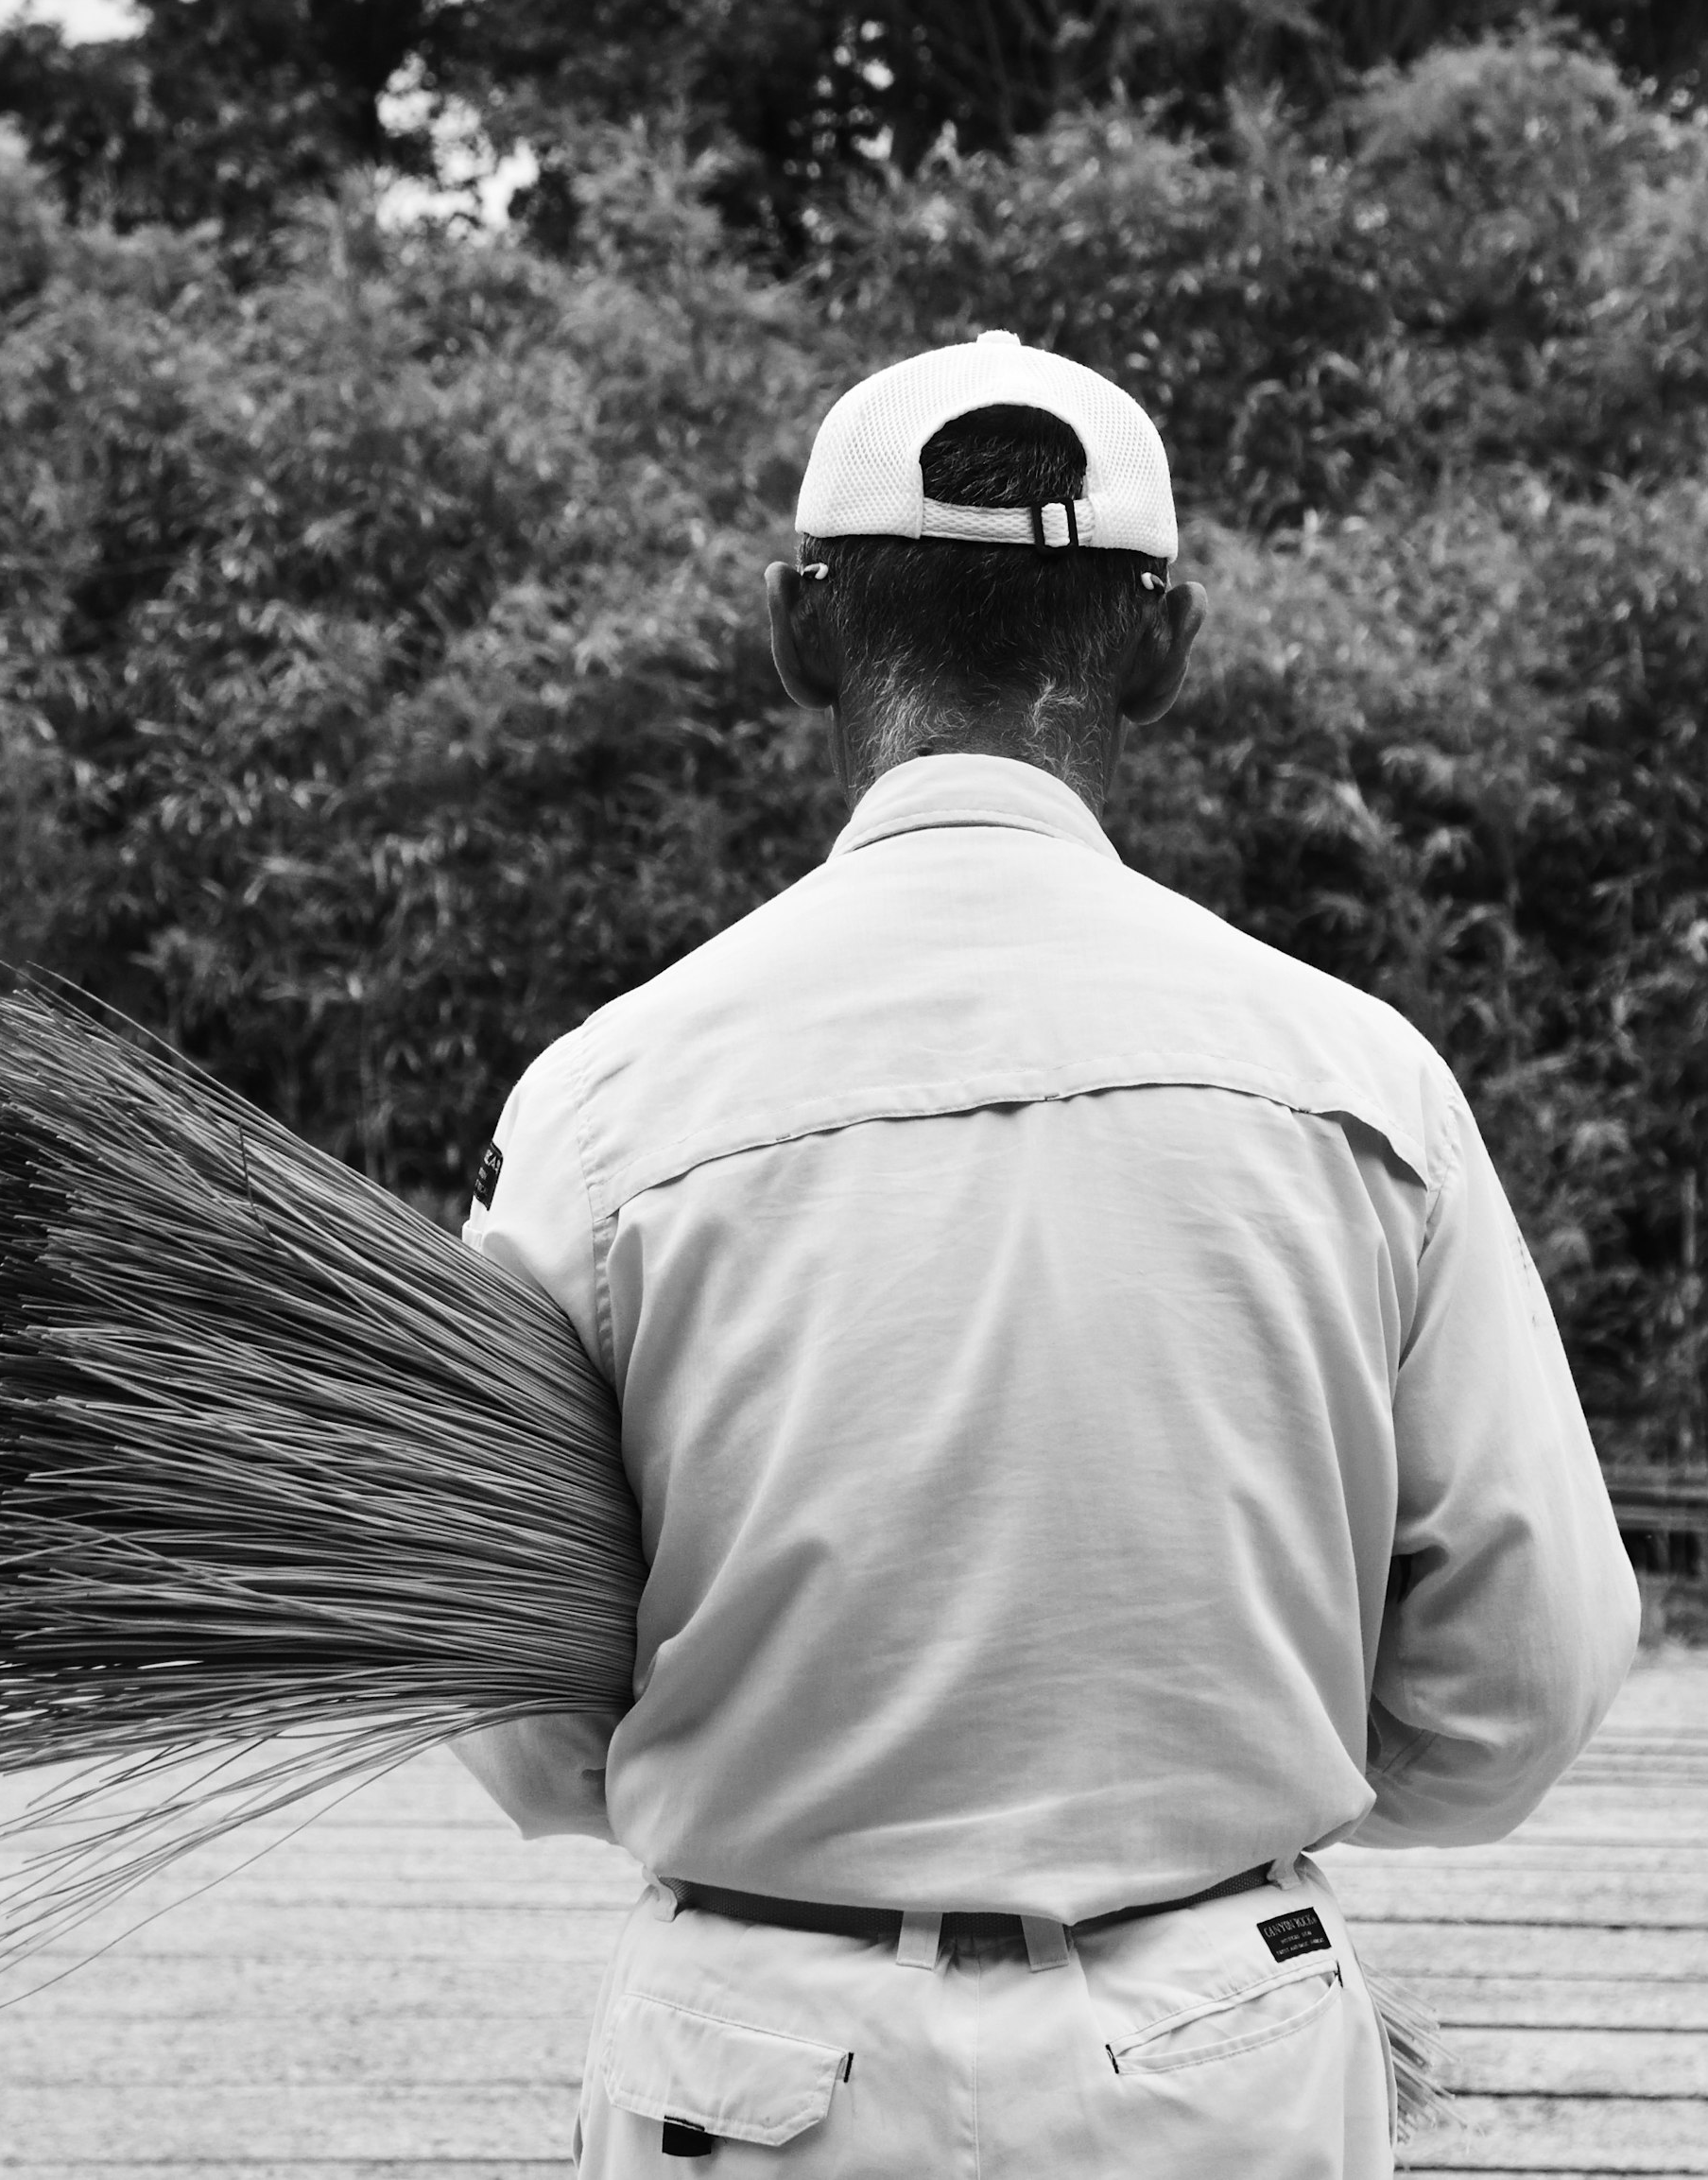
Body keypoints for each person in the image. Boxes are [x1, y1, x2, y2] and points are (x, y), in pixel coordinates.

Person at [456, 331, 1637, 2177]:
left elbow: (516, 1704)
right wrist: (1240, 1819)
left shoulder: (609, 1103)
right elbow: (1531, 1667)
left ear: (798, 630)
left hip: (759, 2060)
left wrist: (742, 1791)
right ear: (1164, 645)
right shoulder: (1355, 1087)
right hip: (1222, 2048)